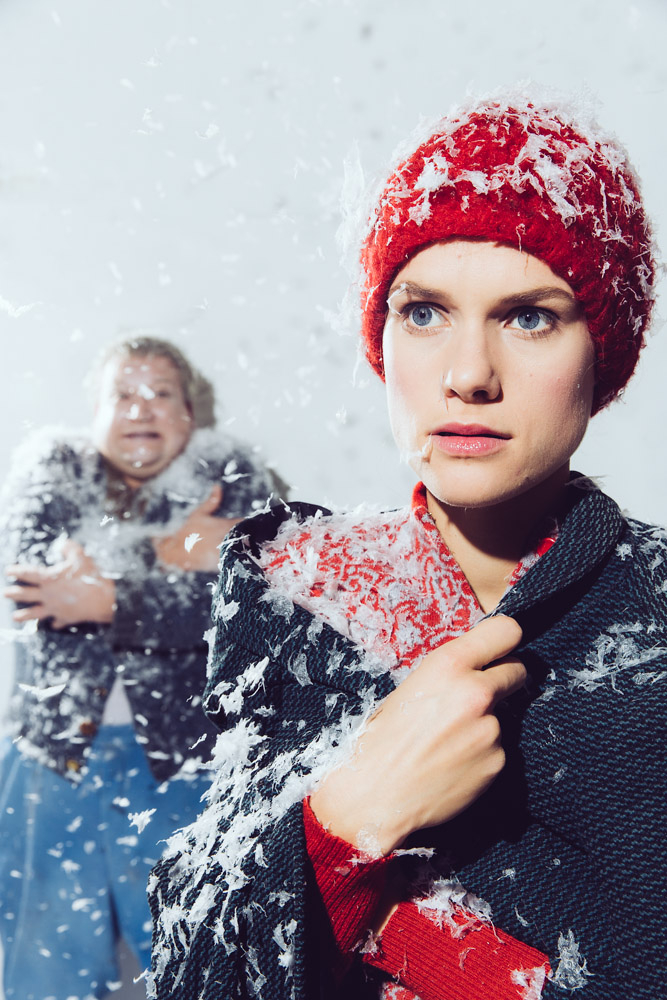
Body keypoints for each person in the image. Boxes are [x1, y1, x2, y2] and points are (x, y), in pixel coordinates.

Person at [147, 95, 665, 1000]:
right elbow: (194, 964)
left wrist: (445, 955)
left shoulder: (653, 608)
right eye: (423, 312)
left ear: (604, 352)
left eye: (529, 316)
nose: (467, 374)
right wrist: (347, 821)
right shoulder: (295, 587)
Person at [0, 335, 280, 1000]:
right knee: (44, 963)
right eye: (122, 393)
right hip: (52, 758)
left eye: (162, 394)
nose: (141, 408)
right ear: (93, 413)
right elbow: (30, 584)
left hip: (188, 766)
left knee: (192, 953)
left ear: (192, 416)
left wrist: (108, 595)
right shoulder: (49, 472)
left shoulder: (231, 474)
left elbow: (242, 600)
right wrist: (174, 554)